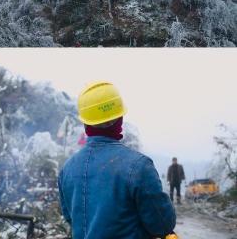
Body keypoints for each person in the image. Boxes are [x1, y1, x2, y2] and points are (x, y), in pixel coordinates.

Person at [58, 82, 176, 239]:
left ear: (86, 122)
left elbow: (71, 218)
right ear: (119, 118)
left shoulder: (67, 169)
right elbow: (162, 225)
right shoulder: (139, 167)